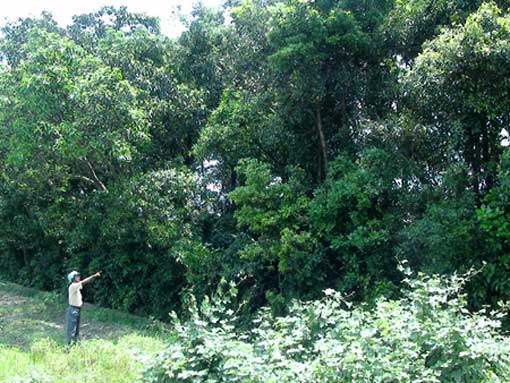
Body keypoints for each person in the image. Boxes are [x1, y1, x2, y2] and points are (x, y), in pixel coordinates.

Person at [66, 270, 101, 345]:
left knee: (76, 329)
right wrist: (94, 276)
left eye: (78, 276)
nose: (78, 277)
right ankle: (69, 347)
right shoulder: (73, 286)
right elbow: (84, 282)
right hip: (73, 310)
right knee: (72, 329)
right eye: (76, 276)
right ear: (72, 279)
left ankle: (74, 345)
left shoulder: (76, 287)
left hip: (76, 309)